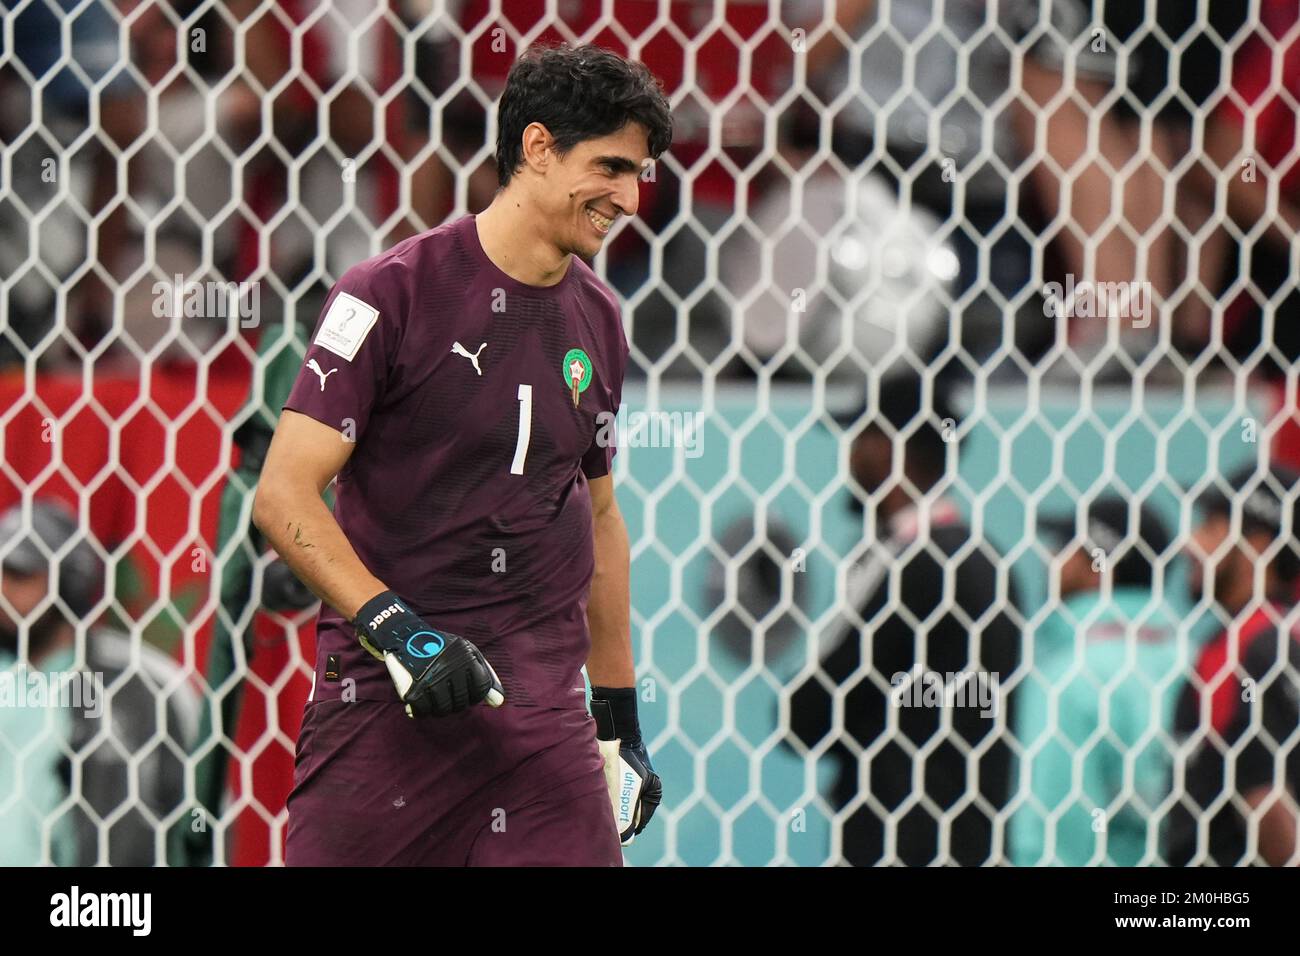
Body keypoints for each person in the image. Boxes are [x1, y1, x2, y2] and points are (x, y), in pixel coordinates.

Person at [254, 43, 673, 866]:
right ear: (539, 148)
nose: (630, 197)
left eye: (639, 173)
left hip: (543, 734)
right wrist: (404, 637)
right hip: (386, 709)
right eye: (613, 167)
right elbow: (283, 495)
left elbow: (600, 517)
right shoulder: (388, 294)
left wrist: (618, 719)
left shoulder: (600, 320)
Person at [788, 370, 1022, 865]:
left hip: (899, 845)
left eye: (860, 437)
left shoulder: (908, 564)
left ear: (891, 447)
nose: (849, 456)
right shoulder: (991, 565)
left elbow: (809, 713)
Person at [1011, 495, 1182, 865]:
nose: (1049, 559)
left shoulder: (1071, 677)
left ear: (1097, 567)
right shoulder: (1194, 662)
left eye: (1064, 548)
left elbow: (1055, 836)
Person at [1168, 463, 1300, 866]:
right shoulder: (1273, 635)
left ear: (1258, 545)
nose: (1190, 542)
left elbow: (1266, 800)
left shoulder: (1248, 649)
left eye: (1210, 526)